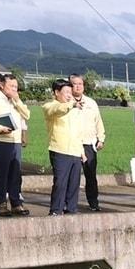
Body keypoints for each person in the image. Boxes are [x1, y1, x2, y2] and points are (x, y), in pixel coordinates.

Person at [0, 73, 31, 216]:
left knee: (15, 173)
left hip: (15, 142)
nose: (14, 89)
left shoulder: (15, 99)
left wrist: (17, 101)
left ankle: (16, 202)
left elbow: (27, 115)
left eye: (16, 86)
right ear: (2, 85)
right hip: (0, 141)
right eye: (11, 86)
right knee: (2, 174)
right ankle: (1, 203)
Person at [43, 79, 84, 216]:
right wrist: (71, 104)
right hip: (59, 150)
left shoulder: (74, 109)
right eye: (66, 92)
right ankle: (56, 211)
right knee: (60, 183)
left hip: (75, 152)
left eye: (70, 92)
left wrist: (81, 151)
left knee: (74, 185)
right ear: (56, 92)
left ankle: (71, 210)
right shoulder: (50, 106)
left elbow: (78, 131)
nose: (69, 94)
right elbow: (58, 109)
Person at [70, 73, 106, 212]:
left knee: (90, 175)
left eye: (80, 84)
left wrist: (100, 138)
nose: (78, 86)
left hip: (89, 144)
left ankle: (93, 202)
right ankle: (70, 203)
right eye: (75, 84)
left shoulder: (91, 103)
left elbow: (98, 122)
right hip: (72, 144)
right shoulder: (67, 103)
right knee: (73, 176)